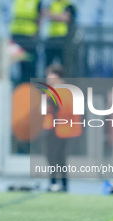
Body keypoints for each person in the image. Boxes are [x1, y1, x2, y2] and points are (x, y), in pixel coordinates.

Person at [43, 64, 82, 192]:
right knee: (54, 157)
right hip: (55, 127)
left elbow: (63, 107)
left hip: (60, 128)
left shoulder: (63, 91)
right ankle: (57, 182)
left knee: (57, 157)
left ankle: (58, 182)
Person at [10, 0, 41, 84]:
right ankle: (19, 86)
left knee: (30, 63)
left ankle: (30, 86)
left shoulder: (36, 1)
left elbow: (39, 18)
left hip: (29, 37)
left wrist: (36, 35)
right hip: (17, 36)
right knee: (17, 63)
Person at [42, 0, 76, 69]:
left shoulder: (68, 4)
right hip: (51, 37)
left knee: (63, 64)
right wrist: (59, 16)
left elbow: (65, 18)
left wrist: (52, 15)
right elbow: (45, 13)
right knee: (48, 64)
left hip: (63, 38)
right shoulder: (52, 4)